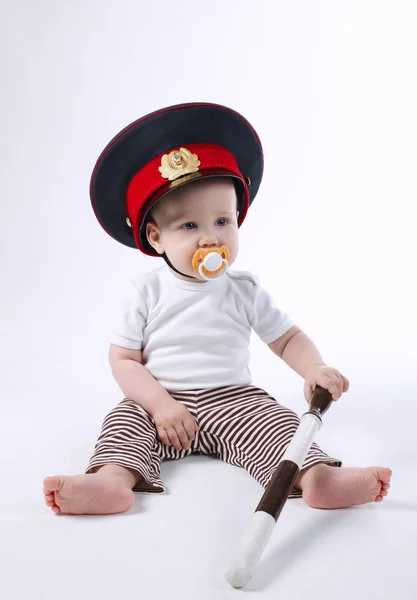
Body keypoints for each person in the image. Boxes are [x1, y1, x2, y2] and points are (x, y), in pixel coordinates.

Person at [43, 103, 391, 515]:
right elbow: (123, 360)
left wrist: (312, 368)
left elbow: (287, 339)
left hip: (235, 400)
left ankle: (316, 478)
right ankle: (111, 481)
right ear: (155, 237)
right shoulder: (147, 291)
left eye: (223, 222)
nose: (212, 239)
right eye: (190, 226)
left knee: (277, 424)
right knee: (124, 424)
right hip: (161, 401)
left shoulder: (243, 290)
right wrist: (159, 404)